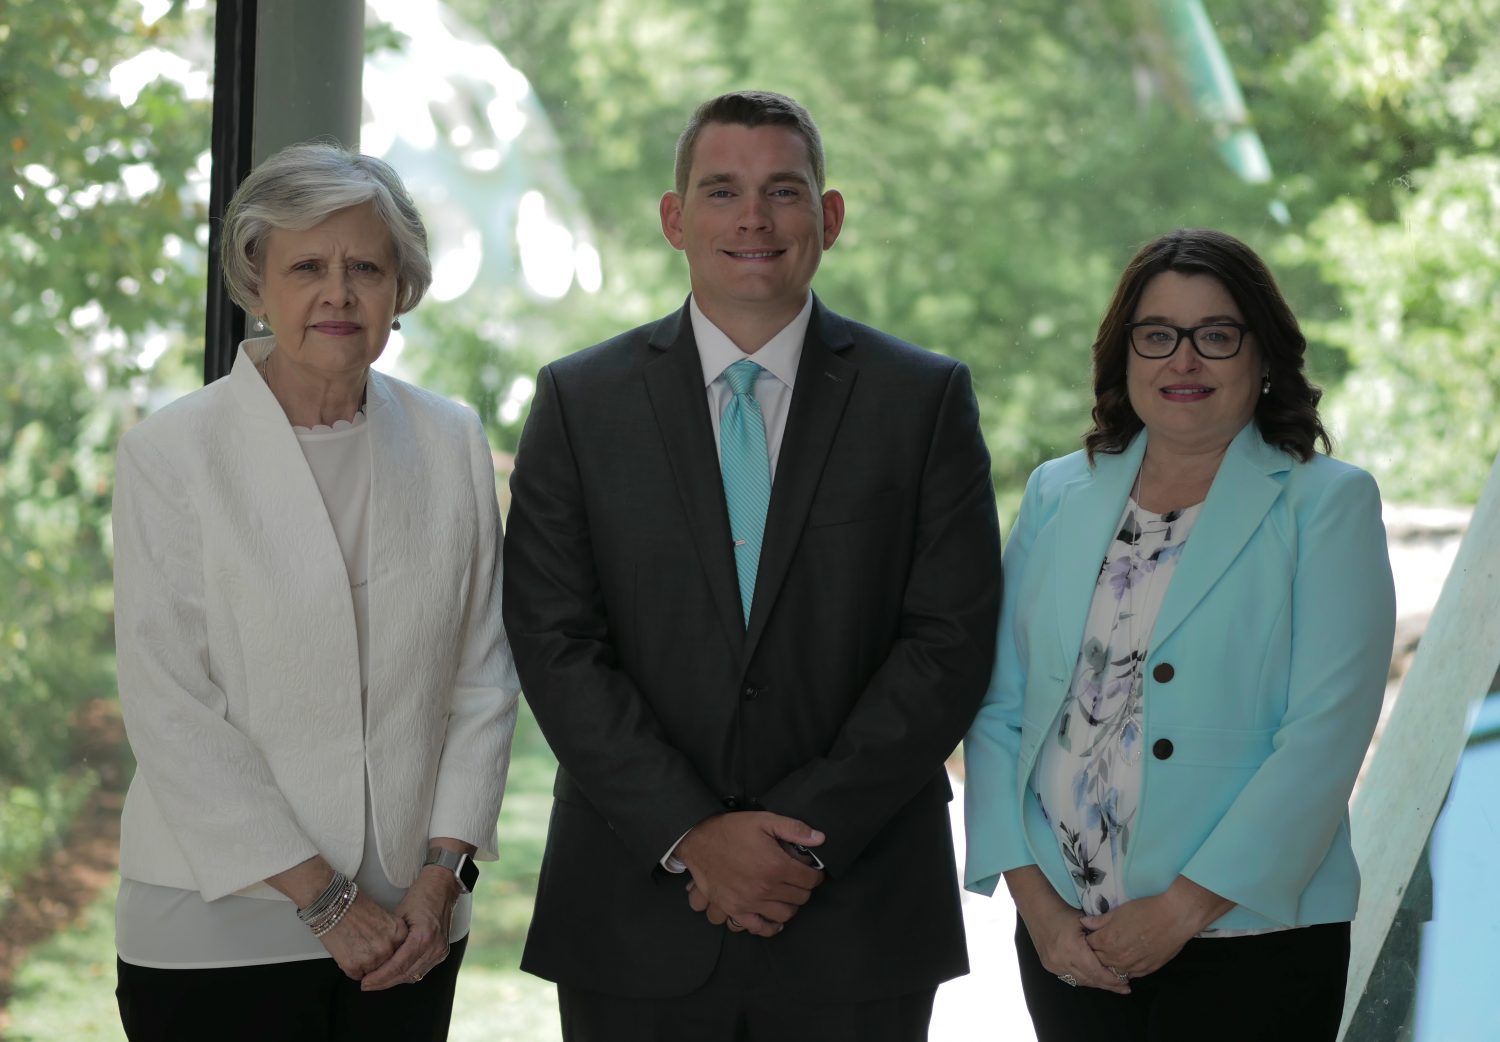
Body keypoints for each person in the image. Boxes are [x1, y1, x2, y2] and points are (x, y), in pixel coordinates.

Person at [502, 90, 1001, 1041]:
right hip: (633, 908)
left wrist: (799, 842)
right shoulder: (580, 400)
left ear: (831, 216)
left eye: (784, 190)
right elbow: (553, 640)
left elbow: (949, 639)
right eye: (722, 191)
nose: (754, 219)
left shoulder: (923, 399)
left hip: (857, 906)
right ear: (674, 218)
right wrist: (691, 835)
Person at [110, 142, 520, 1042]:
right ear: (256, 283)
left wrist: (442, 875)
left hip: (413, 923)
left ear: (399, 291)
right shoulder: (171, 454)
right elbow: (170, 702)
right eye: (307, 267)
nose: (337, 292)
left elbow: (484, 679)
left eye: (364, 267)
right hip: (219, 921)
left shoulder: (451, 441)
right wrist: (325, 902)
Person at [963, 228, 1397, 1040]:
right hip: (1070, 940)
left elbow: (1326, 735)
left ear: (1263, 356)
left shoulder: (1326, 505)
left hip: (1254, 937)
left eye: (1217, 336)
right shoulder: (1059, 490)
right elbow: (997, 708)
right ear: (1123, 354)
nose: (1183, 360)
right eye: (1157, 335)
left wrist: (1182, 910)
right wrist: (1038, 907)